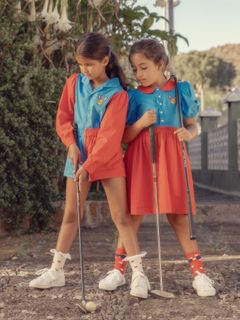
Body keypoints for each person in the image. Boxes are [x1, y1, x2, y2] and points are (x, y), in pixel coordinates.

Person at [29, 33, 150, 299]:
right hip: (78, 155)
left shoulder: (118, 95)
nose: (84, 70)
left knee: (121, 218)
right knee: (70, 215)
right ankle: (56, 271)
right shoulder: (74, 83)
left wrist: (91, 163)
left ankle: (139, 275)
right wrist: (71, 145)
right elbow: (63, 118)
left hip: (106, 157)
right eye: (80, 64)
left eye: (89, 65)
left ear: (105, 60)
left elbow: (110, 137)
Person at [99, 39, 216, 297]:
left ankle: (199, 274)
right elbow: (125, 137)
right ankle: (119, 270)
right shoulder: (133, 96)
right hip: (141, 157)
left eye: (144, 67)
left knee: (179, 216)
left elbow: (193, 125)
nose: (139, 74)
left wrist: (190, 133)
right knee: (133, 215)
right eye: (135, 69)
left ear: (160, 63)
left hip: (172, 156)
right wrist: (140, 123)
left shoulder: (180, 90)